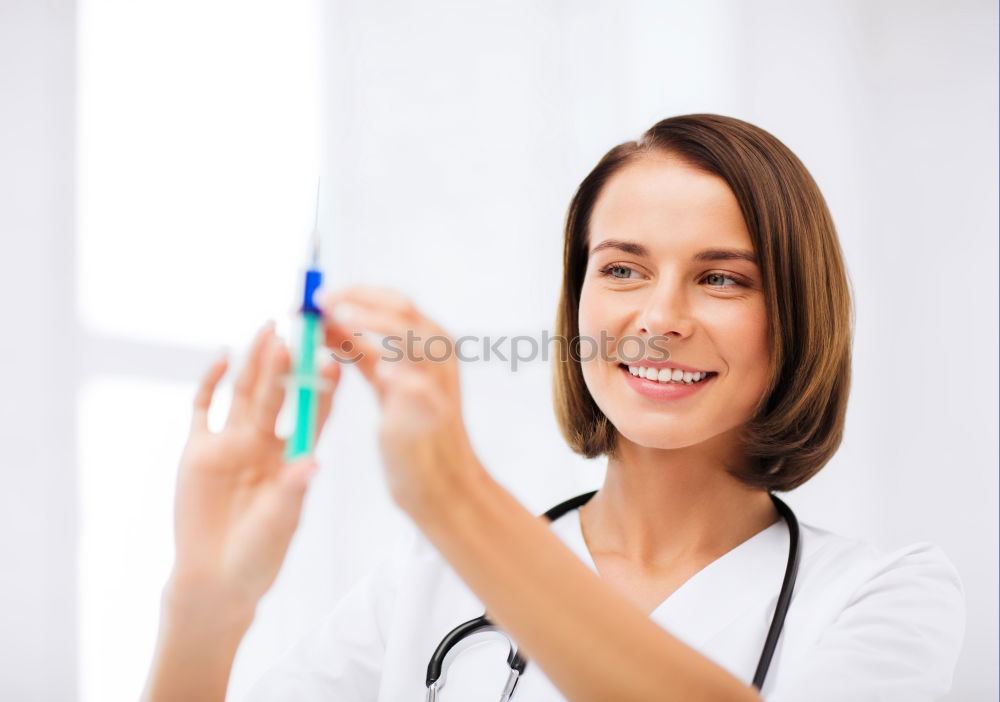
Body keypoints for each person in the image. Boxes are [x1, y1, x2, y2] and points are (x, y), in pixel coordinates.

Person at [141, 114, 965, 702]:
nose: (660, 317)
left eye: (722, 278)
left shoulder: (883, 597)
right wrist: (205, 606)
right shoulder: (419, 597)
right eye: (621, 270)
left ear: (797, 315)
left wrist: (455, 495)